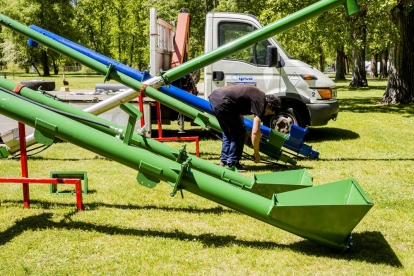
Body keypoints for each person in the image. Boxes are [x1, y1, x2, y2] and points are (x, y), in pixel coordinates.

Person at [209, 84, 281, 172]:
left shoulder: (256, 96)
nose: (266, 115)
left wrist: (243, 128)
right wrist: (256, 152)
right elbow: (255, 131)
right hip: (223, 102)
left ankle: (224, 161)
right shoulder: (261, 102)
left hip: (214, 99)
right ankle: (233, 163)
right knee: (239, 133)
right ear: (269, 105)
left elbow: (239, 114)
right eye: (269, 112)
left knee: (228, 133)